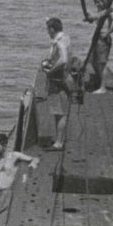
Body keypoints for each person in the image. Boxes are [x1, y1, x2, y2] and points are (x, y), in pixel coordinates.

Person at [41, 17, 74, 149]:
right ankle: (59, 140)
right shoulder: (66, 38)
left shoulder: (59, 42)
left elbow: (63, 60)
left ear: (52, 29)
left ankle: (58, 143)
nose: (48, 32)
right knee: (61, 111)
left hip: (57, 81)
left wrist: (50, 71)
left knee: (59, 112)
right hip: (65, 78)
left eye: (48, 30)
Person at [86, 0, 113, 93]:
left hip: (103, 39)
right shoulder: (100, 11)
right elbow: (95, 18)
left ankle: (103, 87)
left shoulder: (108, 11)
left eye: (98, 2)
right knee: (92, 61)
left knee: (102, 64)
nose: (97, 4)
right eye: (95, 2)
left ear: (103, 0)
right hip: (97, 39)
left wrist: (108, 33)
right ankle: (99, 79)